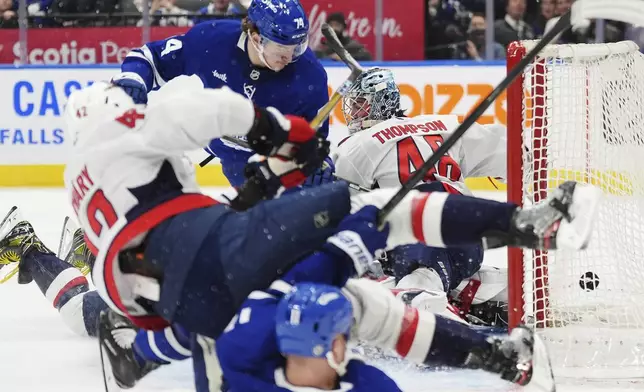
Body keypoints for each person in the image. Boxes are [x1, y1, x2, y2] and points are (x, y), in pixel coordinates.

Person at [61, 74, 597, 366]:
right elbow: (518, 151)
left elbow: (314, 186)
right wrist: (280, 135)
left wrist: (279, 166)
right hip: (462, 233)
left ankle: (139, 356)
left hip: (145, 286)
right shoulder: (442, 121)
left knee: (365, 280)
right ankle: (520, 239)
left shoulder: (78, 177)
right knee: (377, 234)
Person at [113, 0, 329, 187]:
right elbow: (150, 58)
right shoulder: (213, 40)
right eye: (282, 50)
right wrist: (135, 80)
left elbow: (315, 141)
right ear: (256, 38)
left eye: (297, 48)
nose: (290, 58)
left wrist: (316, 163)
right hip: (228, 154)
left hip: (270, 167)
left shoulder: (311, 77)